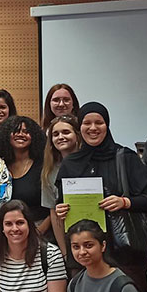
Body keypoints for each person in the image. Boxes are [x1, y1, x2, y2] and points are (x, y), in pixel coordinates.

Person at [54, 102, 147, 292]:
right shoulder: (70, 163)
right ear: (79, 128)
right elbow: (62, 202)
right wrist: (61, 209)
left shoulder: (125, 157)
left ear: (107, 125)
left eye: (98, 122)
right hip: (85, 254)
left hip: (124, 252)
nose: (93, 128)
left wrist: (124, 202)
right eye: (87, 123)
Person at [64, 220, 142, 292]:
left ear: (103, 246)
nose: (82, 252)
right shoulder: (74, 284)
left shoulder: (124, 288)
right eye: (76, 247)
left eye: (88, 245)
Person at [0, 115, 49, 225]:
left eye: (26, 132)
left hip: (39, 228)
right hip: (5, 230)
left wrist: (38, 233)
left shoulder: (43, 165)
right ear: (6, 135)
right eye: (16, 131)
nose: (21, 134)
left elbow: (52, 206)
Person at [41, 114, 82, 267]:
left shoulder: (90, 163)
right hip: (67, 239)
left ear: (77, 135)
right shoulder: (48, 171)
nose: (60, 137)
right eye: (55, 134)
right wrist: (64, 252)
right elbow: (53, 213)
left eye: (66, 132)